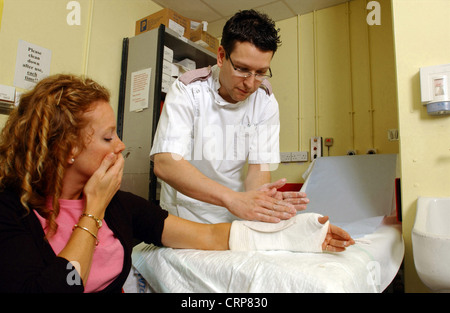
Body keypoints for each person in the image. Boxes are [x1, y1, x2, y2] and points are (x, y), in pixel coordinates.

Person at [0, 74, 353, 293]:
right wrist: (92, 211)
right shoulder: (10, 212)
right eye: (109, 138)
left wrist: (301, 233)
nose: (121, 146)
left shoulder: (121, 206)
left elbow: (210, 236)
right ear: (68, 149)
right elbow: (61, 287)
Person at [151, 9, 308, 224]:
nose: (250, 83)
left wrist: (260, 202)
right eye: (242, 69)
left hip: (233, 212)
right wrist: (232, 199)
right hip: (184, 211)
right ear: (221, 56)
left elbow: (258, 168)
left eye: (261, 72)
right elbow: (165, 162)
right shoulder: (188, 90)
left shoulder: (265, 101)